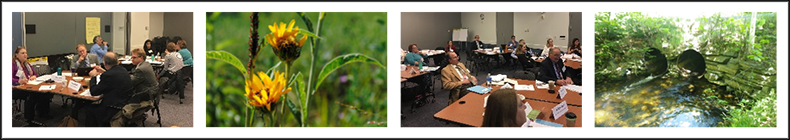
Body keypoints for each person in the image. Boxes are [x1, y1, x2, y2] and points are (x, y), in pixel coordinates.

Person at [85, 52, 133, 132]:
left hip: (113, 108)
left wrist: (93, 77)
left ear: (104, 63)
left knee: (89, 110)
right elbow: (113, 76)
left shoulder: (108, 75)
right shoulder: (122, 69)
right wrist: (103, 71)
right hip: (125, 102)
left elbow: (94, 92)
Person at [7, 46, 54, 121]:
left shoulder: (27, 64)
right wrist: (18, 81)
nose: (25, 55)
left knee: (45, 93)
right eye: (22, 53)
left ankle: (43, 113)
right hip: (14, 88)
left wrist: (34, 77)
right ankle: (29, 118)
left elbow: (35, 74)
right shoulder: (12, 64)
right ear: (16, 55)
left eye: (26, 53)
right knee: (31, 95)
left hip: (28, 85)